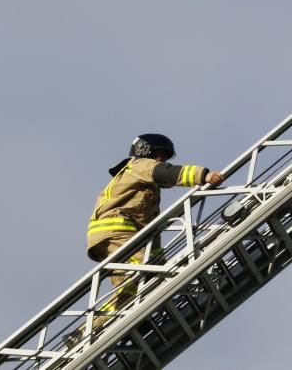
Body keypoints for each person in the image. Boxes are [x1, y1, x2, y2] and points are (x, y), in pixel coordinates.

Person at [75, 133, 224, 341]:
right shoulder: (139, 166)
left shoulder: (147, 190)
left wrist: (160, 264)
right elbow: (165, 172)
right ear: (146, 152)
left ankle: (86, 332)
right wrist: (203, 175)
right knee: (143, 274)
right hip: (117, 231)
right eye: (160, 156)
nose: (162, 161)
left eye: (164, 157)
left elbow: (150, 230)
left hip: (112, 236)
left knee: (130, 289)